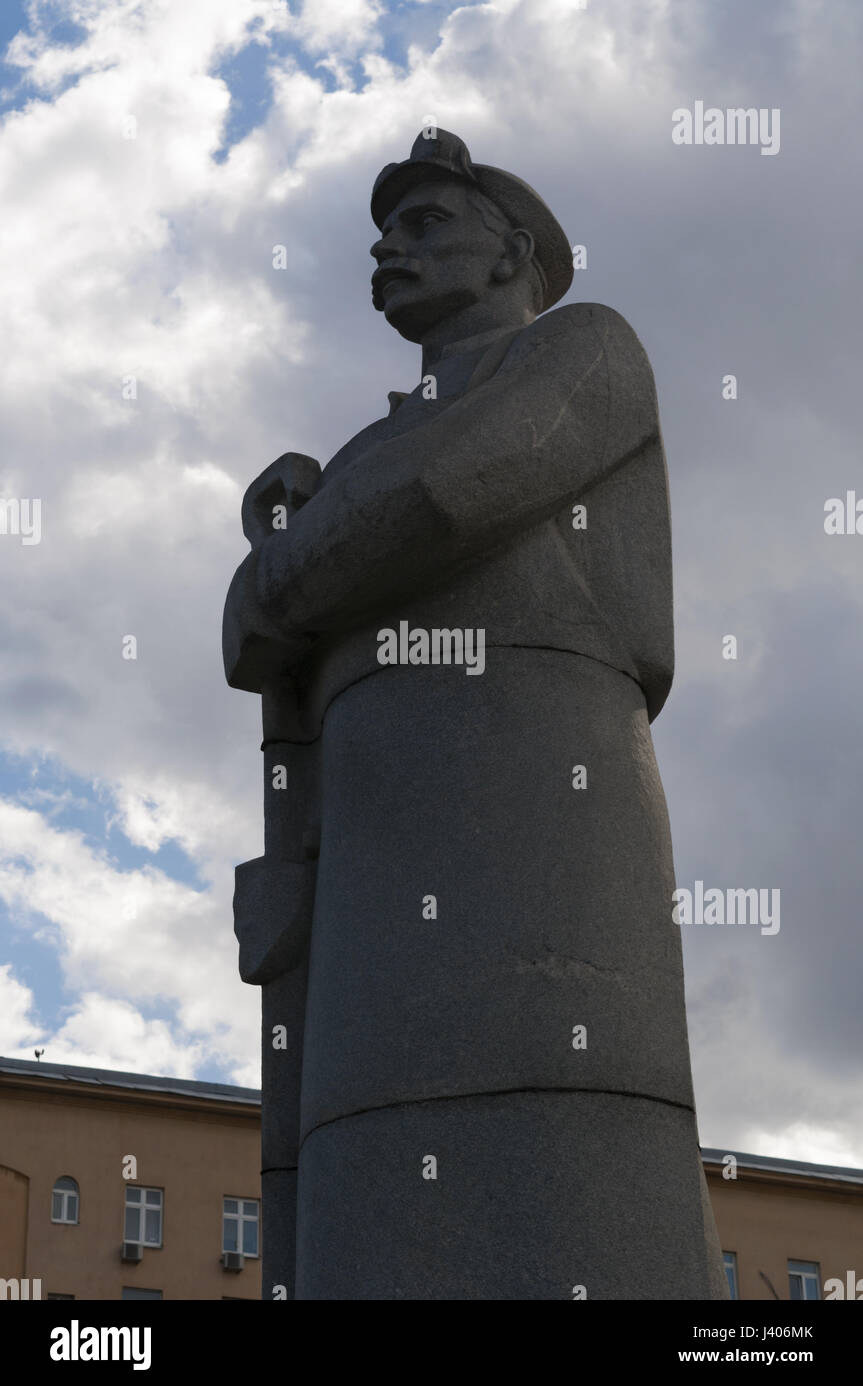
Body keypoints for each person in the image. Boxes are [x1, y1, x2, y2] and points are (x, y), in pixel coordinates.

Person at [223, 129, 728, 1299]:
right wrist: (306, 554)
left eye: (425, 224)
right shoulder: (356, 454)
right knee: (362, 1167)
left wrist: (297, 560)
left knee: (566, 1137)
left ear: (515, 252)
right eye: (383, 233)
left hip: (539, 816)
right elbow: (247, 641)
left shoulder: (585, 349)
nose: (389, 250)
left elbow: (444, 496)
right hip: (364, 863)